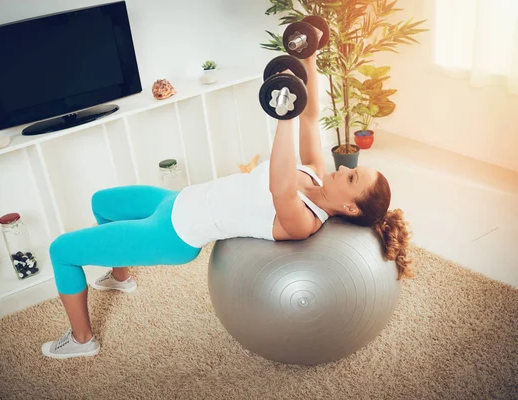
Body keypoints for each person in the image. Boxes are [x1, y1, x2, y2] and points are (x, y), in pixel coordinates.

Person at [41, 50, 413, 359]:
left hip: (172, 233)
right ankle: (120, 277)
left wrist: (284, 114)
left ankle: (80, 341)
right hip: (175, 200)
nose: (344, 170)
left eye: (351, 178)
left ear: (350, 208)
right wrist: (309, 58)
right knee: (101, 202)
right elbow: (312, 117)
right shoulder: (316, 173)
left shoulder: (303, 221)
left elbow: (280, 187)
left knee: (62, 251)